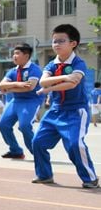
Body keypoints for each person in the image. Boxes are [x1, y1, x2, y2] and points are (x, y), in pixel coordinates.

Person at [31, 24, 98, 188]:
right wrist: (63, 78)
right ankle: (44, 175)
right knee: (37, 142)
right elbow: (42, 81)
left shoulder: (79, 63)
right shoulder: (51, 65)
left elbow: (72, 84)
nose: (56, 44)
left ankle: (90, 178)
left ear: (73, 43)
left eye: (61, 41)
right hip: (55, 111)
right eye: (54, 41)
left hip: (76, 111)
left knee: (76, 145)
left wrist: (50, 88)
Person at [0, 43, 43, 160]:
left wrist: (9, 88)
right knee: (3, 125)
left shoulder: (35, 69)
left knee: (24, 126)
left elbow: (30, 87)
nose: (14, 56)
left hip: (31, 101)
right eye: (14, 53)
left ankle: (37, 153)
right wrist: (18, 84)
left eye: (17, 53)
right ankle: (16, 150)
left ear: (26, 56)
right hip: (16, 100)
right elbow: (1, 85)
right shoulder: (13, 71)